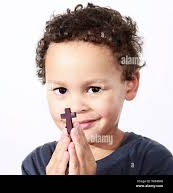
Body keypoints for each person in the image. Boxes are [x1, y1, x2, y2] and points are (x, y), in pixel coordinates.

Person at [21, 3, 173, 175]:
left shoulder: (152, 162)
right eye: (62, 90)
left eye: (94, 89)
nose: (76, 107)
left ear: (130, 83)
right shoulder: (38, 164)